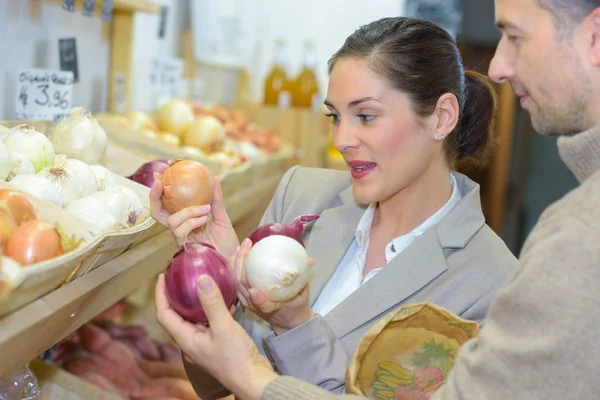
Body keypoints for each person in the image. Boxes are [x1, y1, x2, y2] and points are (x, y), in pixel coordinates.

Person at [154, 0, 600, 399]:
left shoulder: (488, 284)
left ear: (441, 116)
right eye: (335, 116)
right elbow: (216, 383)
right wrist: (213, 285)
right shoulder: (300, 194)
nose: (343, 139)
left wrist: (292, 328)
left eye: (366, 116)